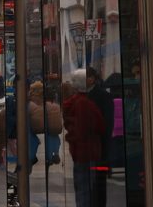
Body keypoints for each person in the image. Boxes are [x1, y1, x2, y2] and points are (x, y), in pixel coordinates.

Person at [63, 69, 105, 207]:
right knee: (86, 190)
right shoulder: (84, 103)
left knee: (82, 188)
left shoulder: (74, 102)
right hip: (87, 152)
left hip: (79, 152)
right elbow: (96, 126)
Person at [85, 67, 113, 204]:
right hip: (85, 150)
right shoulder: (81, 96)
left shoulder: (103, 96)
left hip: (100, 149)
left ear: (92, 79)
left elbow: (107, 124)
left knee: (99, 184)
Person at [28, 81, 63, 167]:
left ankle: (47, 156)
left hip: (37, 124)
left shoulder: (32, 100)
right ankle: (54, 153)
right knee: (53, 135)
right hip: (47, 124)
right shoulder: (47, 99)